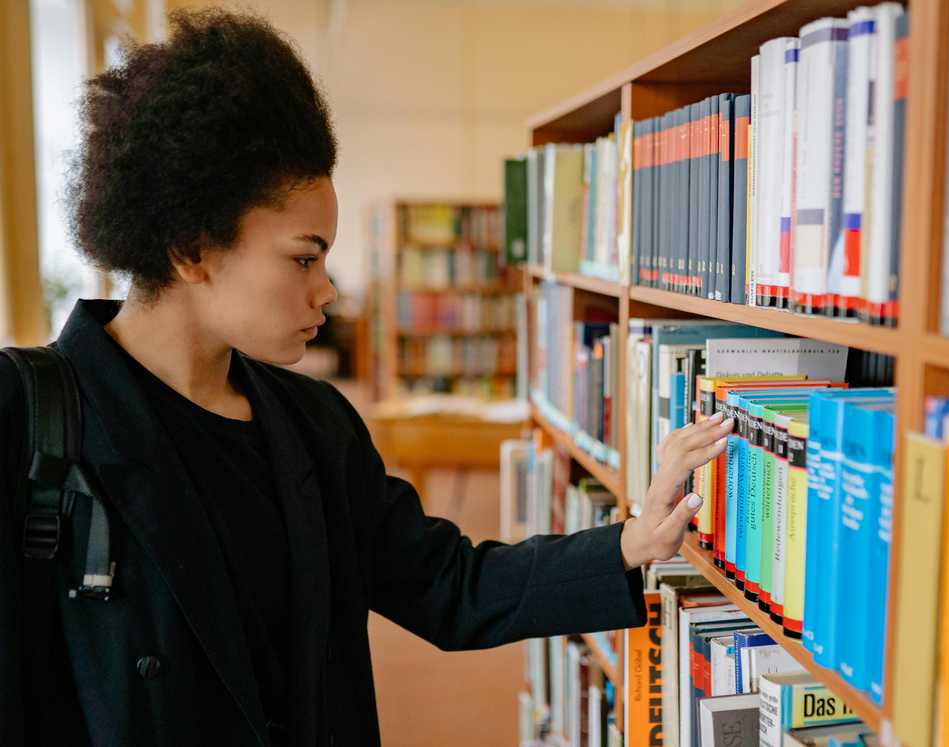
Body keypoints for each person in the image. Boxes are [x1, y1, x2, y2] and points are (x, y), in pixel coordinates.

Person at [0, 10, 734, 746]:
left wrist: (631, 542)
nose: (328, 291)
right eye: (302, 258)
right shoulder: (29, 422)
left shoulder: (314, 424)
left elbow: (450, 586)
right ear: (194, 250)